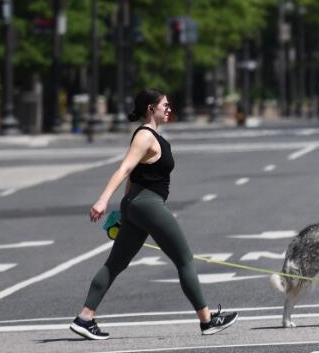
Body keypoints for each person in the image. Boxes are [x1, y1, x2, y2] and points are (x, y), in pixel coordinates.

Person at [69, 89, 237, 340]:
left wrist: (126, 207)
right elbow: (125, 168)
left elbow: (134, 176)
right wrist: (103, 200)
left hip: (137, 205)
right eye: (165, 106)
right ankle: (207, 320)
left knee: (115, 264)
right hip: (149, 204)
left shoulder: (153, 136)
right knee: (184, 260)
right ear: (150, 108)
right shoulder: (145, 136)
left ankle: (85, 317)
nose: (169, 109)